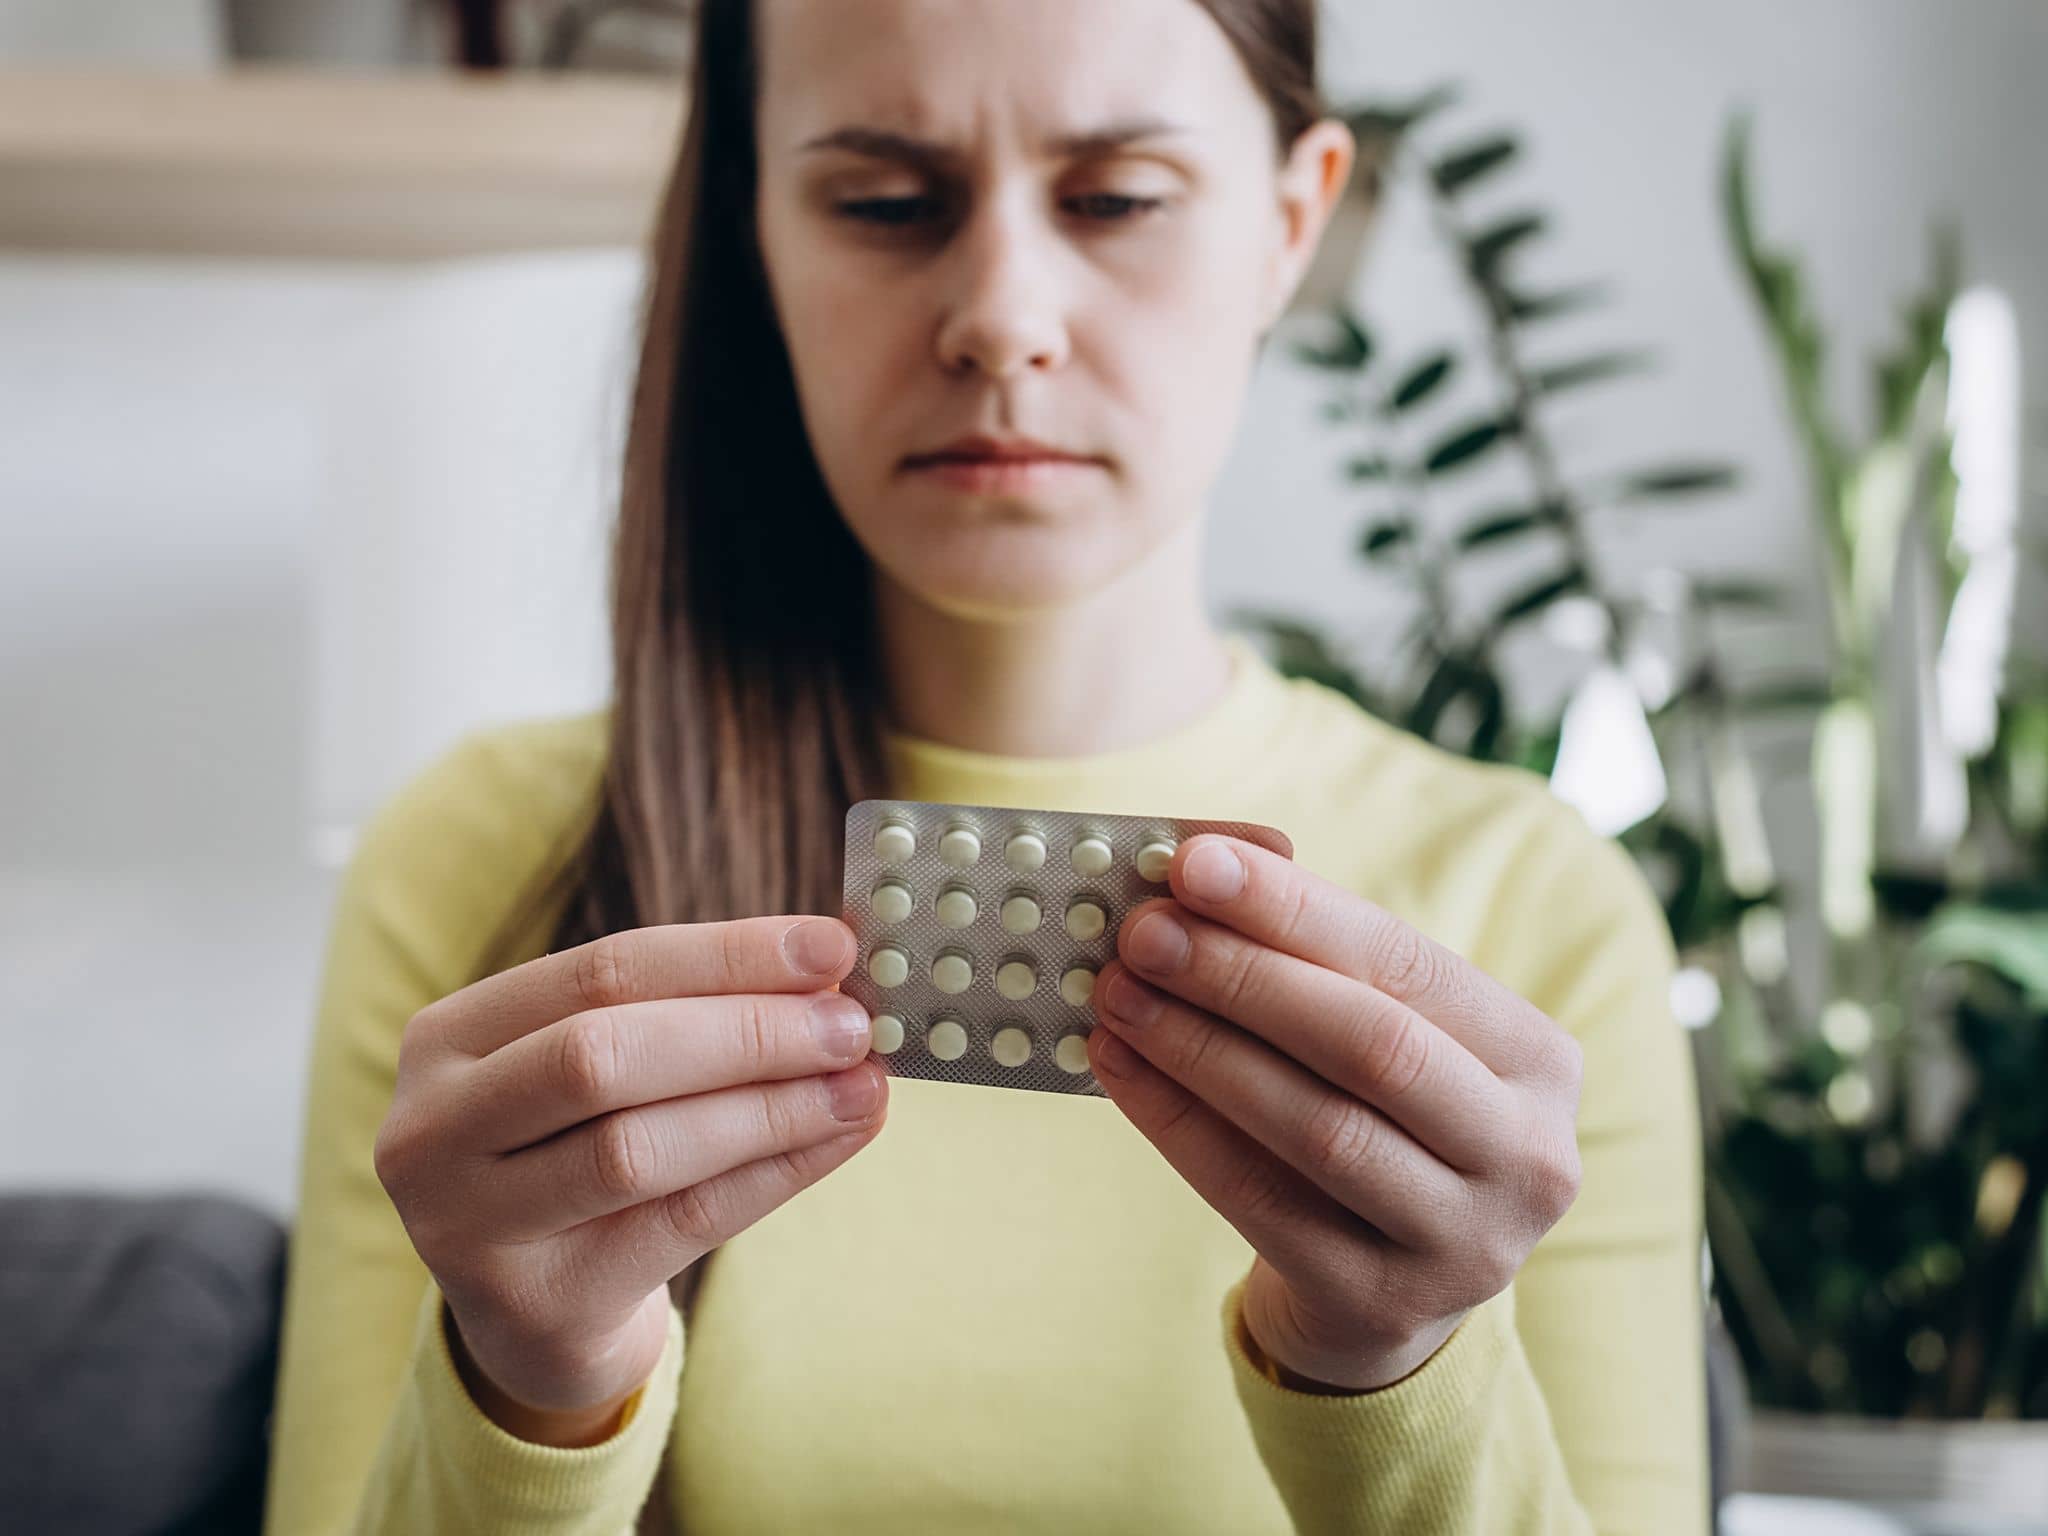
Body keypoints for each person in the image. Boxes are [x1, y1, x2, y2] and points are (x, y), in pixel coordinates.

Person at [263, 0, 1709, 1531]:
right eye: (884, 204)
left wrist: (1400, 1366)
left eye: (1118, 200)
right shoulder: (483, 865)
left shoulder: (1538, 915)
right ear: (753, 228)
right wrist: (528, 1386)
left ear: (1294, 220)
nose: (1001, 314)